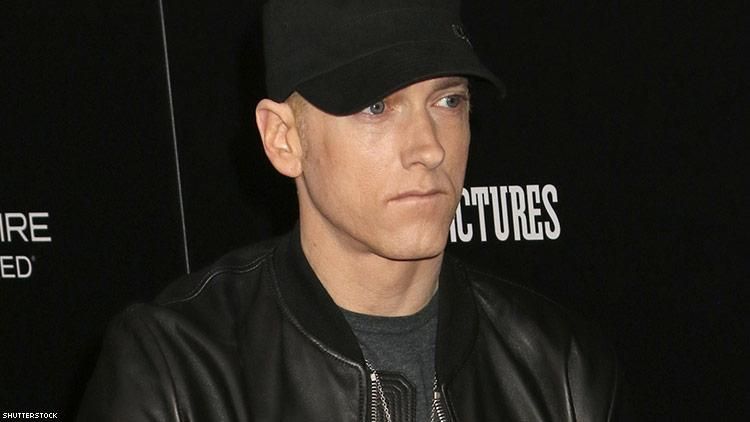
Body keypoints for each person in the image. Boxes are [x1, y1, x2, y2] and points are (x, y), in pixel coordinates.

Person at [78, 0, 628, 420]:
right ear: (283, 139)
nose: (429, 148)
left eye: (448, 101)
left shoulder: (559, 368)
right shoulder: (177, 369)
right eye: (377, 106)